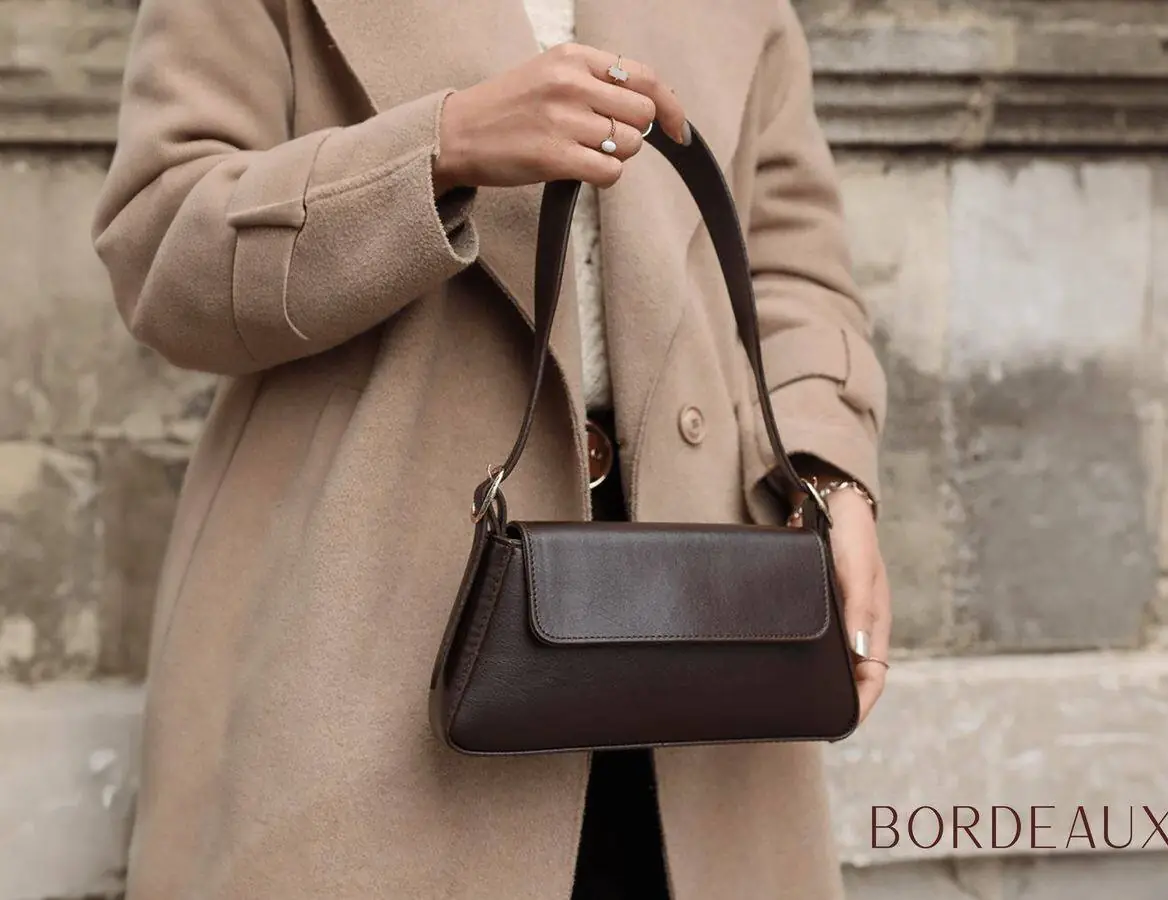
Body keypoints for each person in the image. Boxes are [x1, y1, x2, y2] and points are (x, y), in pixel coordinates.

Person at [92, 0, 892, 897]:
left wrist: (830, 476)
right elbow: (161, 252)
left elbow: (790, 272)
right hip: (368, 622)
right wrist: (441, 146)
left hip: (708, 628)